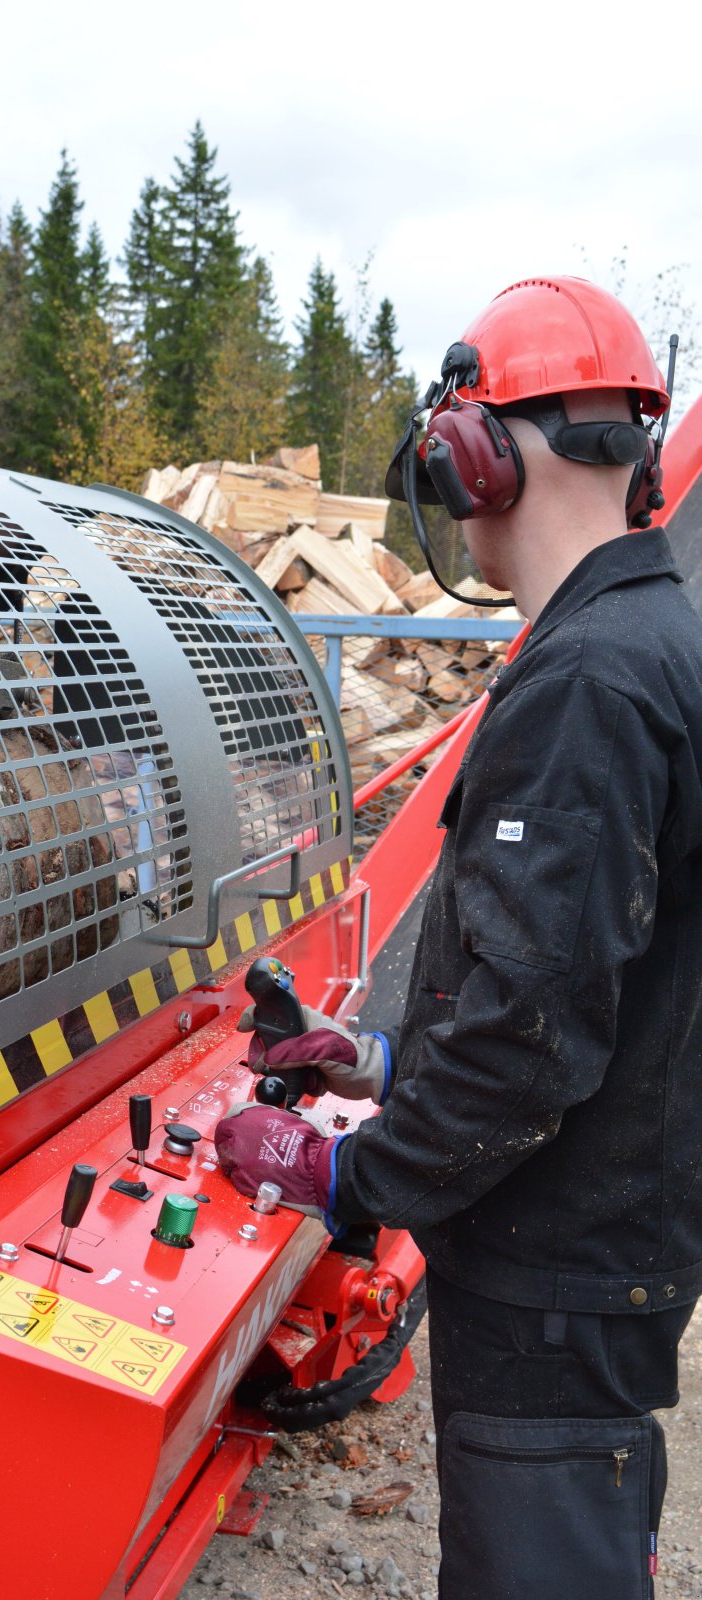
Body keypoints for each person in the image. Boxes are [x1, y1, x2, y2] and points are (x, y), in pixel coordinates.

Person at [214, 277, 702, 1599]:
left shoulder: (592, 683)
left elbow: (534, 1034)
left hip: (558, 1275)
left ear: (492, 452)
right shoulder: (641, 643)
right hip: (596, 1253)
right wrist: (375, 1055)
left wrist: (347, 1184)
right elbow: (585, 977)